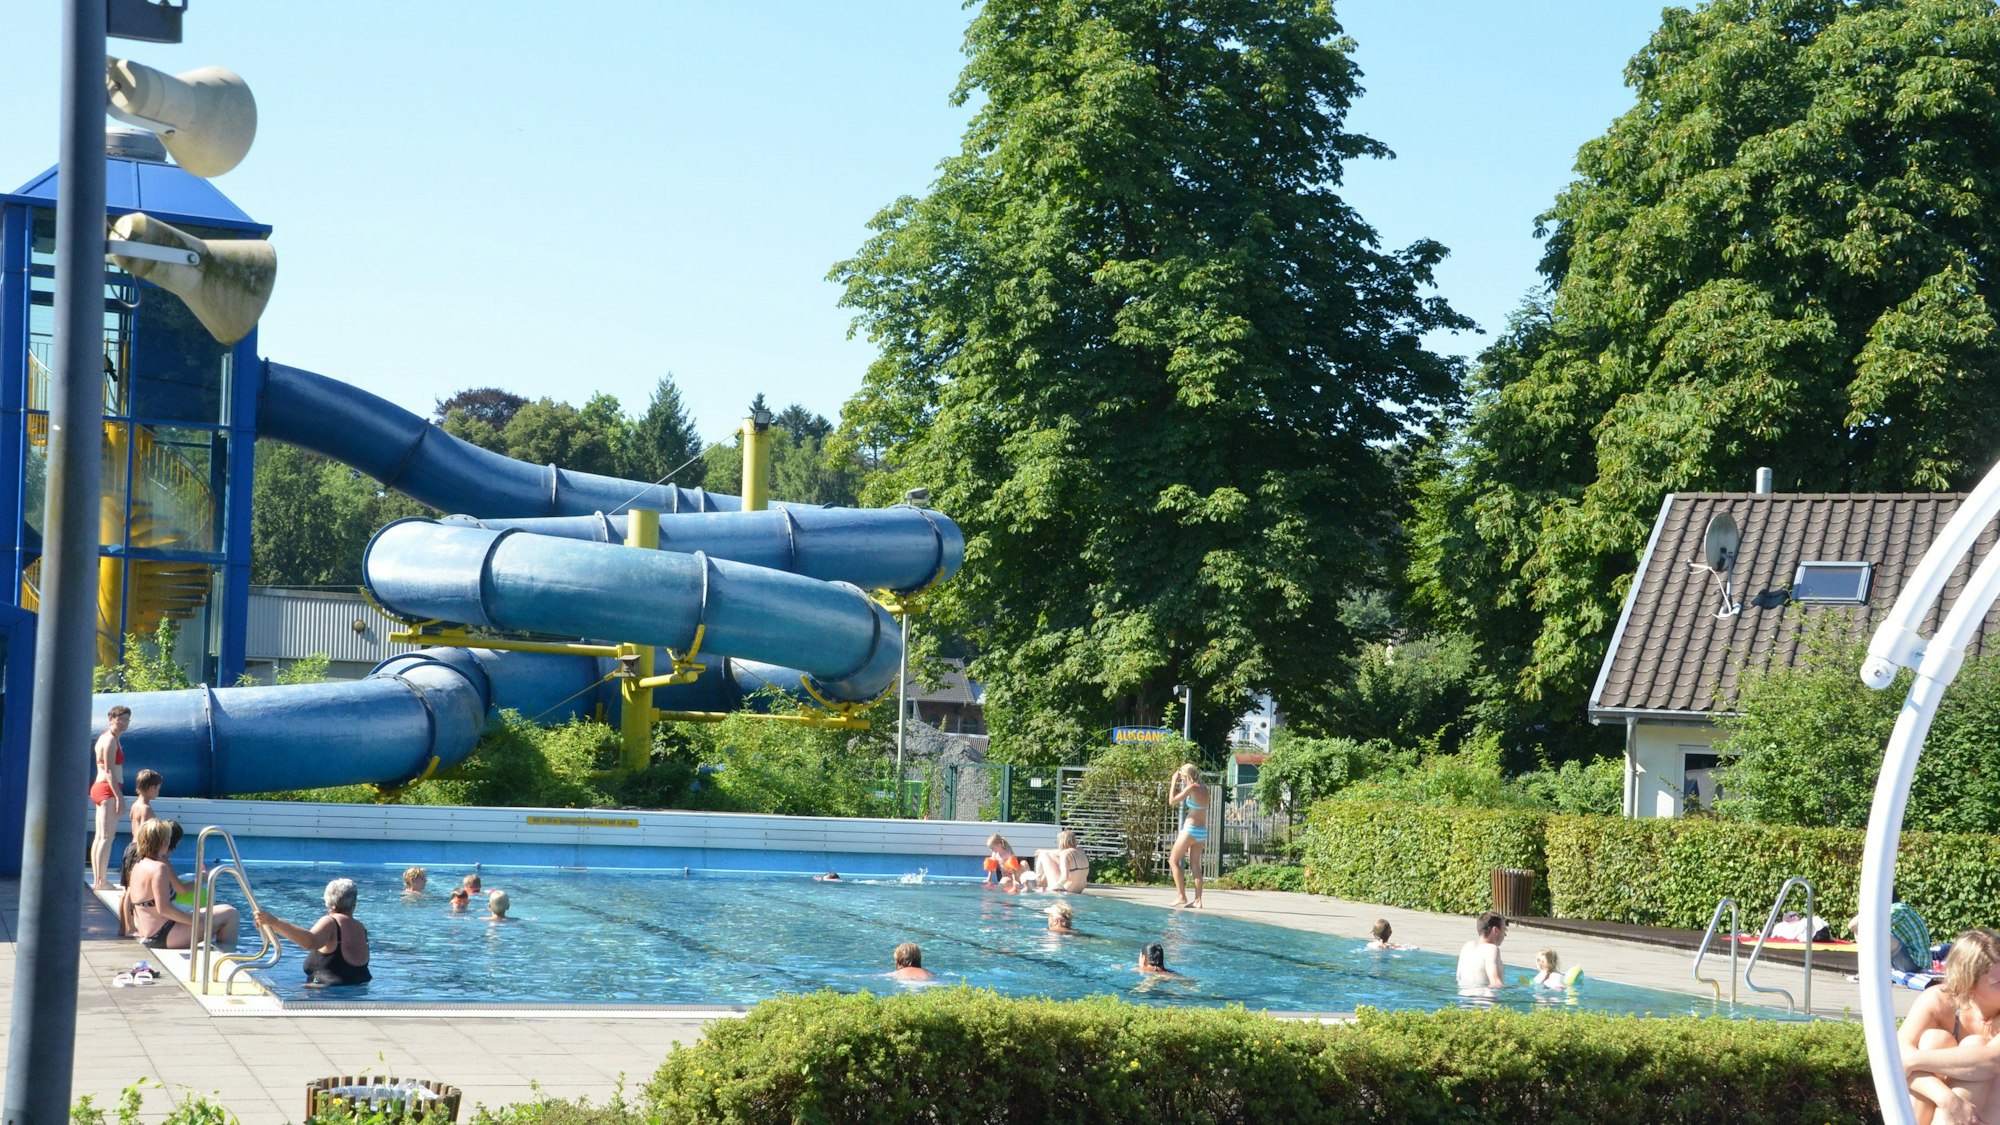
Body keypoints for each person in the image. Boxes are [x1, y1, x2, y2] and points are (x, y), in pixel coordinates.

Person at [1898, 928, 2000, 1123]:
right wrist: (1947, 1099)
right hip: (1945, 1110)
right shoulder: (1938, 1000)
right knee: (1934, 1039)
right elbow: (1895, 1058)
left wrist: (1914, 1060)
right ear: (1969, 982)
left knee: (1976, 1045)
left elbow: (1990, 1062)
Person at [127, 818, 239, 949]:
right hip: (162, 935)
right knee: (231, 914)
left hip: (152, 932)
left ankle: (222, 954)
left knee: (226, 908)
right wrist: (196, 922)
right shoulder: (159, 868)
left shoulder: (139, 865)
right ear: (163, 842)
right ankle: (227, 957)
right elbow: (164, 909)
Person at [255, 878, 371, 987]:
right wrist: (272, 925)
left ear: (327, 901)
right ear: (354, 903)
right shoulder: (360, 928)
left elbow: (311, 942)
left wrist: (274, 921)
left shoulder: (330, 922)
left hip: (327, 996)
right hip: (359, 993)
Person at [89, 705, 131, 890]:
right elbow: (108, 771)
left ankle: (99, 880)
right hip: (107, 788)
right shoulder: (109, 741)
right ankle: (101, 881)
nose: (123, 723)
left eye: (126, 719)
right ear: (111, 719)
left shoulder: (108, 738)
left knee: (101, 837)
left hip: (103, 788)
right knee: (107, 837)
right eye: (120, 719)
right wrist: (119, 796)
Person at [1166, 763, 1207, 909]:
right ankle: (1198, 900)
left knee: (1173, 861)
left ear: (1186, 775)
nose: (1181, 780)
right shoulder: (1204, 788)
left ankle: (1181, 896)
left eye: (1182, 777)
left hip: (1190, 830)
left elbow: (1172, 801)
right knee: (1195, 865)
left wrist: (1173, 782)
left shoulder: (1191, 788)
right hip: (1202, 831)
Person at [1456, 911, 1508, 990]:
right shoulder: (1491, 949)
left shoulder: (1467, 946)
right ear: (1495, 930)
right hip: (1483, 999)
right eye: (1504, 930)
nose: (1505, 935)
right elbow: (1495, 983)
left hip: (1464, 999)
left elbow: (1459, 978)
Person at [129, 769, 161, 838]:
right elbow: (144, 834)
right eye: (158, 789)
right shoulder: (146, 809)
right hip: (141, 847)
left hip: (133, 844)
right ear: (152, 788)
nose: (158, 792)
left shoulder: (135, 805)